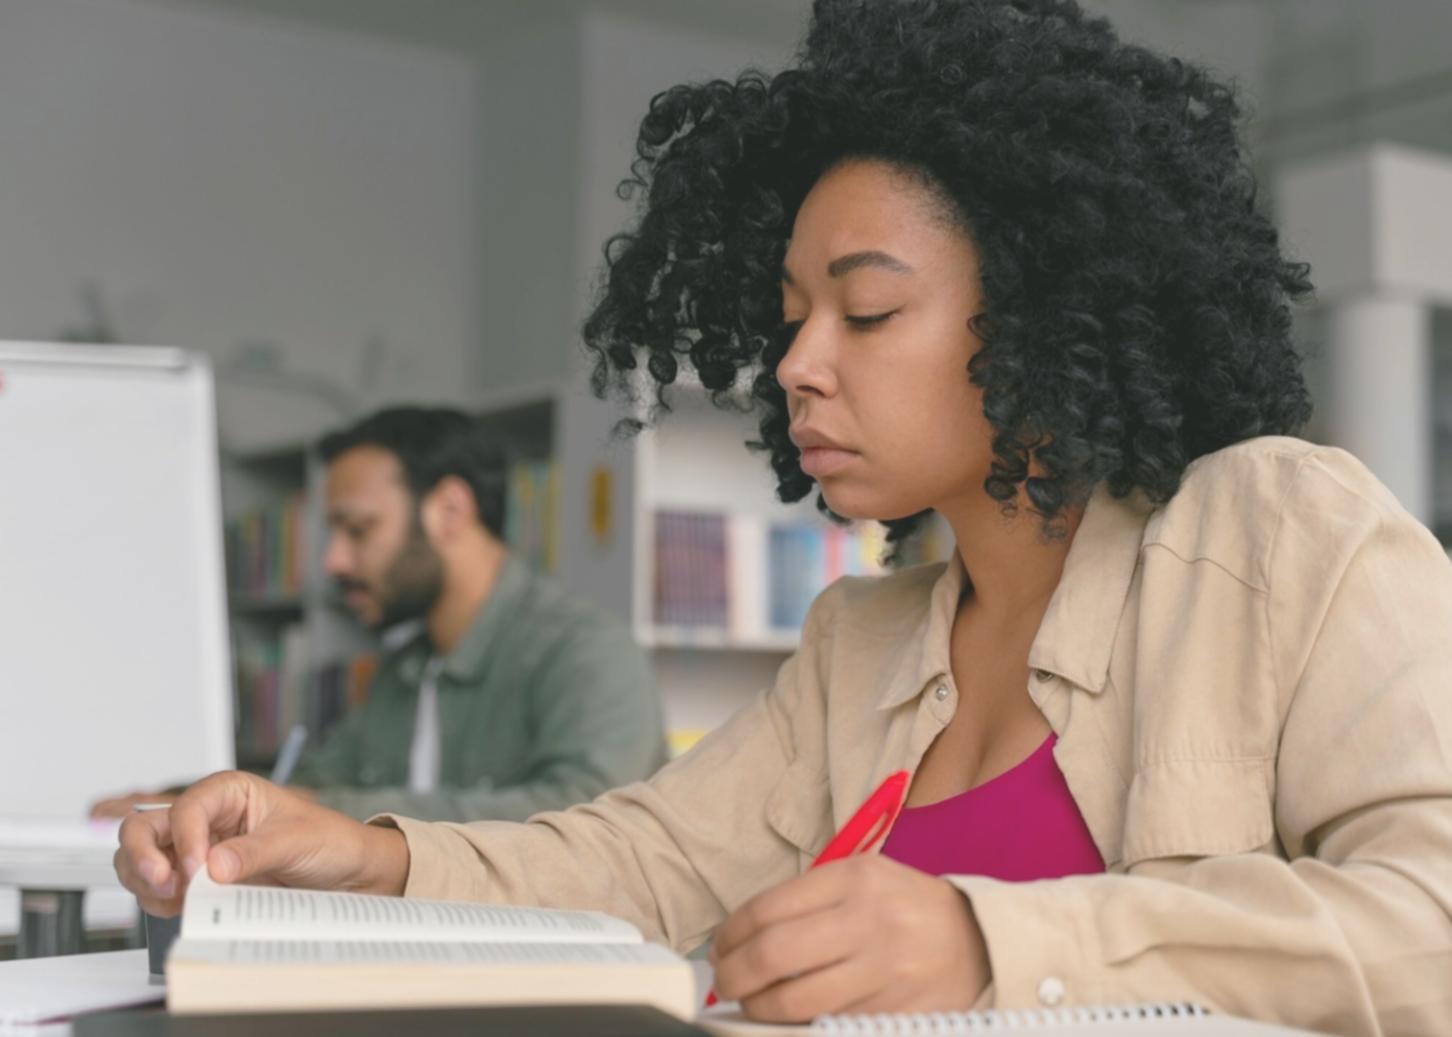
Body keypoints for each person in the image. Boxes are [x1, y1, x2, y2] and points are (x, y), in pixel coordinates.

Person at [114, 2, 1452, 1032]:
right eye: (793, 314)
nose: (800, 363)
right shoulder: (859, 641)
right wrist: (361, 855)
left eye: (867, 310)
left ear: (1046, 312)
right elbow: (641, 861)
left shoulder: (1279, 529)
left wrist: (989, 945)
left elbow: (1430, 921)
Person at [96, 406, 667, 822]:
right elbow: (316, 783)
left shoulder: (587, 649)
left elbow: (586, 820)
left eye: (358, 529)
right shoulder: (405, 669)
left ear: (450, 511)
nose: (334, 561)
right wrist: (183, 801)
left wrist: (311, 809)